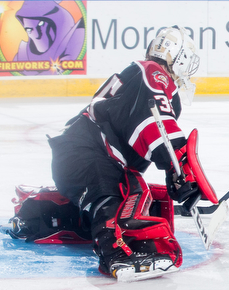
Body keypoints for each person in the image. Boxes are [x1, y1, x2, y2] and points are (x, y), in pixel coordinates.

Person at [45, 26, 214, 280]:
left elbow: (136, 126)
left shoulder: (141, 75)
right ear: (177, 59)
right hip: (88, 155)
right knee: (122, 190)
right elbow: (152, 122)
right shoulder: (154, 74)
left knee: (132, 187)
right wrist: (175, 165)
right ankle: (116, 253)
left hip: (78, 155)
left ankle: (44, 215)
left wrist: (173, 174)